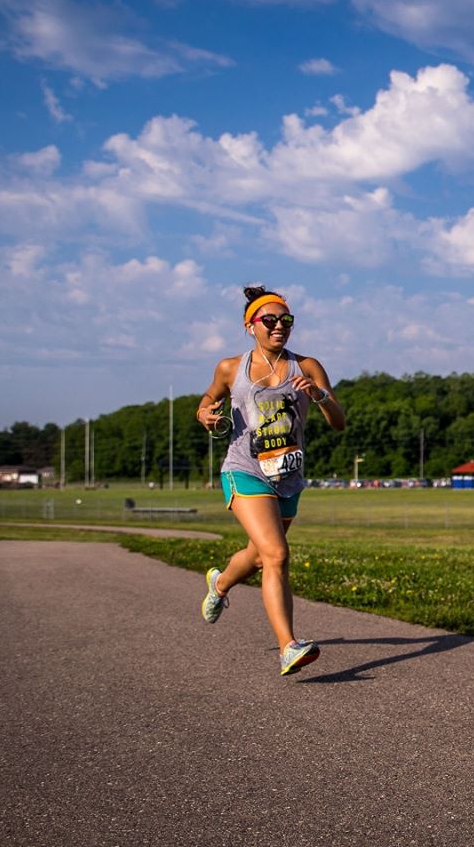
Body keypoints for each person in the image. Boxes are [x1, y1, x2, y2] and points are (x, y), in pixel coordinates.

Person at [195, 285, 345, 675]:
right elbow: (206, 402)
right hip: (244, 470)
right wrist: (206, 415)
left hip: (288, 476)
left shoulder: (307, 365)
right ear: (251, 325)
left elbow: (339, 422)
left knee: (261, 555)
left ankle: (220, 584)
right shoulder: (231, 367)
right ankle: (288, 646)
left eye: (286, 320)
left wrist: (319, 395)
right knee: (277, 555)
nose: (280, 326)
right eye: (270, 320)